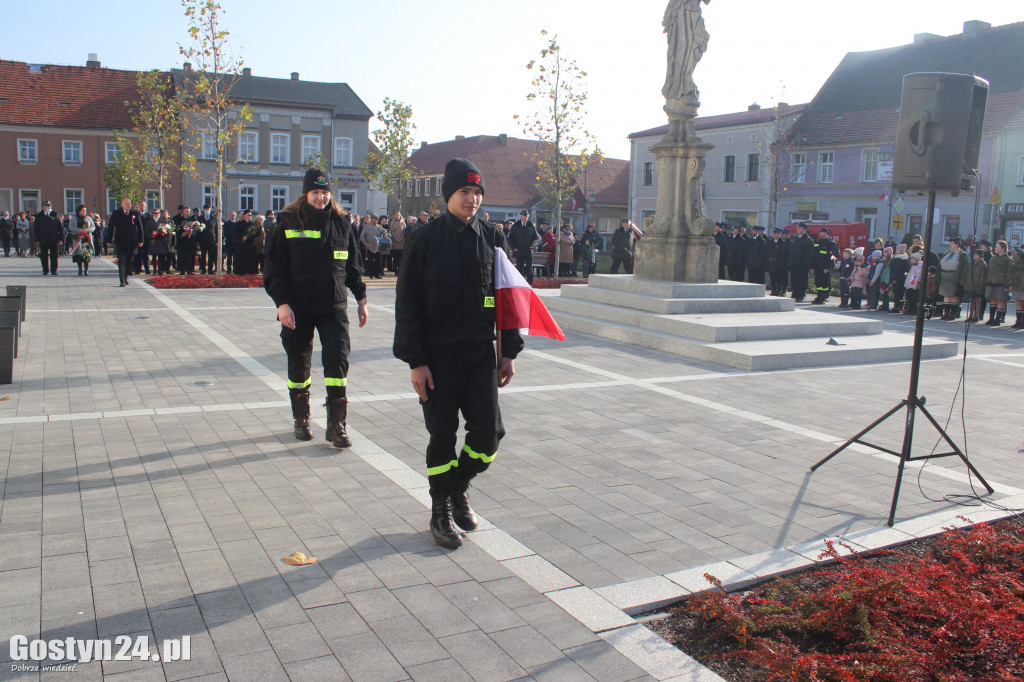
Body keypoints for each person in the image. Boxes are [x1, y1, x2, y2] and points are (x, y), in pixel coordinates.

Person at [393, 158, 524, 550]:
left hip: (481, 353)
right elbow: (408, 303)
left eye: (478, 192)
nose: (472, 199)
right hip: (437, 356)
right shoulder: (425, 238)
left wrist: (509, 351)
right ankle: (440, 511)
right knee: (442, 435)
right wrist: (416, 361)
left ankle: (457, 486)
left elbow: (509, 298)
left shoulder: (493, 237)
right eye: (465, 192)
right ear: (449, 195)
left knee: (489, 434)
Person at [264, 168, 368, 447]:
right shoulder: (289, 221)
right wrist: (282, 303)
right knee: (299, 363)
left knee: (338, 359)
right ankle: (301, 419)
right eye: (315, 192)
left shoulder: (342, 222)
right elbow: (275, 267)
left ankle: (337, 425)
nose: (321, 197)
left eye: (324, 192)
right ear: (306, 194)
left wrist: (361, 299)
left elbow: (352, 266)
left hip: (332, 306)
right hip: (298, 307)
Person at [109, 198, 144, 286]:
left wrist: (141, 240)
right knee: (122, 260)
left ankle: (126, 276)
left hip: (132, 241)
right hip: (121, 241)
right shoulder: (116, 213)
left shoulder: (135, 213)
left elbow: (140, 228)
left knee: (129, 260)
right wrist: (108, 240)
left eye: (129, 204)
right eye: (126, 204)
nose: (128, 205)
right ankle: (122, 280)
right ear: (122, 204)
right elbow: (111, 227)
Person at [935, 237, 968, 320]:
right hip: (944, 276)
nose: (950, 245)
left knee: (954, 296)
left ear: (957, 245)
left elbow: (965, 268)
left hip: (954, 277)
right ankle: (946, 313)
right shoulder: (947, 253)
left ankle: (952, 314)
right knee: (946, 295)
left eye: (952, 244)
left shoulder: (962, 255)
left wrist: (963, 279)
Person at [984, 240, 1012, 326]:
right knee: (993, 300)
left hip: (1001, 283)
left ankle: (998, 318)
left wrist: (1008, 284)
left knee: (1000, 300)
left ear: (1003, 248)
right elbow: (989, 270)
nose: (995, 248)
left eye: (997, 247)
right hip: (992, 282)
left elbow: (1009, 273)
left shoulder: (1008, 260)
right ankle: (991, 318)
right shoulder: (993, 258)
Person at [811, 227, 840, 304]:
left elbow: (834, 256)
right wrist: (812, 267)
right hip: (817, 267)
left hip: (825, 267)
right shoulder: (817, 243)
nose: (819, 233)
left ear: (826, 234)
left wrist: (828, 267)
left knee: (824, 283)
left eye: (821, 232)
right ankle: (819, 296)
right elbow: (813, 255)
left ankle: (823, 297)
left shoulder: (831, 244)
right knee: (818, 283)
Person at [34, 201, 64, 276]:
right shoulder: (39, 216)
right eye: (47, 206)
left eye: (50, 206)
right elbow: (35, 229)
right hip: (43, 239)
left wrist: (60, 239)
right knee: (43, 256)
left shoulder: (55, 215)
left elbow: (60, 229)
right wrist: (36, 240)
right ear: (43, 207)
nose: (49, 207)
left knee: (54, 256)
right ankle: (45, 270)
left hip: (54, 239)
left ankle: (54, 270)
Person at [509, 210, 538, 283]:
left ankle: (530, 284)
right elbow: (511, 237)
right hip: (519, 250)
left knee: (529, 268)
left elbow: (535, 237)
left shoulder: (531, 225)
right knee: (519, 268)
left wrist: (533, 244)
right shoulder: (516, 225)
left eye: (527, 217)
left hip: (528, 250)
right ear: (521, 217)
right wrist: (513, 247)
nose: (526, 218)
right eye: (524, 217)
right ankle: (519, 283)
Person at [787, 222, 813, 302]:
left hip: (802, 265)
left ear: (804, 230)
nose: (798, 229)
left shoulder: (808, 240)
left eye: (800, 228)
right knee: (794, 279)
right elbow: (791, 251)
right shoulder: (795, 239)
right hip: (793, 264)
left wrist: (806, 264)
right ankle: (795, 293)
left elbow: (808, 254)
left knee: (801, 281)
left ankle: (801, 294)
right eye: (797, 228)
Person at [68, 205, 96, 276]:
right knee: (79, 255)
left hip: (86, 239)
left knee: (86, 254)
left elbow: (93, 227)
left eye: (85, 210)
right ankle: (80, 269)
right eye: (83, 210)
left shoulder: (88, 218)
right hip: (78, 238)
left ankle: (86, 270)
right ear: (79, 211)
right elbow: (70, 227)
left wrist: (87, 230)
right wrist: (79, 230)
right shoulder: (74, 218)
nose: (84, 212)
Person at [965, 249, 988, 323]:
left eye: (977, 255)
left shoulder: (983, 264)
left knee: (978, 301)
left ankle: (976, 315)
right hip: (971, 285)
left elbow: (982, 277)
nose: (975, 256)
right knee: (972, 301)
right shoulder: (972, 264)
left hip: (978, 285)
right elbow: (969, 275)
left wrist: (980, 288)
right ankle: (970, 315)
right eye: (974, 254)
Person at [889, 244, 909, 313]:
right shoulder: (905, 258)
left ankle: (896, 306)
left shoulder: (899, 258)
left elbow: (897, 270)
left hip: (897, 279)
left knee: (897, 293)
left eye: (898, 249)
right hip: (902, 278)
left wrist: (895, 279)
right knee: (901, 293)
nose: (897, 251)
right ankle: (900, 305)